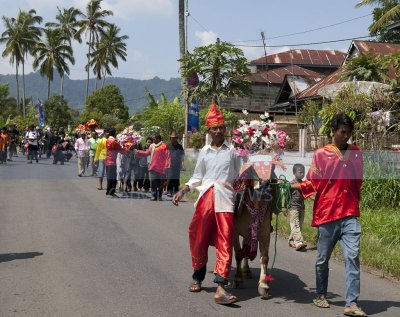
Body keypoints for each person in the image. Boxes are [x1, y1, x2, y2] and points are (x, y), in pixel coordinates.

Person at [292, 113, 366, 317]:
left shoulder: (357, 152)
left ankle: (351, 304)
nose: (346, 136)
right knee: (322, 259)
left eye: (349, 133)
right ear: (334, 131)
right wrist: (295, 186)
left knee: (353, 257)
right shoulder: (321, 154)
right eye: (343, 132)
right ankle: (321, 294)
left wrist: (353, 200)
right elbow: (313, 181)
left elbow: (358, 180)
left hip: (350, 213)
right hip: (328, 213)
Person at [172, 103, 241, 305]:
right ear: (208, 130)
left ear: (225, 129)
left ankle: (221, 287)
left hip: (226, 201)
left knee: (225, 242)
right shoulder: (204, 152)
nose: (218, 131)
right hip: (206, 200)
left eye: (221, 127)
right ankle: (198, 275)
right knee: (197, 236)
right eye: (214, 128)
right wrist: (184, 189)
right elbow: (197, 176)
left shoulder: (234, 152)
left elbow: (239, 175)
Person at [135, 133, 170, 201]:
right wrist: (138, 151)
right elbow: (147, 153)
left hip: (161, 168)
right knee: (153, 181)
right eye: (153, 138)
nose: (153, 139)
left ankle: (159, 196)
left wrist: (167, 166)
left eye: (154, 138)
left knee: (160, 183)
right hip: (152, 167)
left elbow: (168, 156)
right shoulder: (152, 146)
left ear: (158, 139)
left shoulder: (164, 146)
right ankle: (153, 196)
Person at [287, 163, 307, 251]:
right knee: (295, 226)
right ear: (294, 173)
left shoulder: (304, 184)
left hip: (301, 208)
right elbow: (287, 196)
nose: (302, 174)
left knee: (299, 225)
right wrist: (286, 208)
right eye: (300, 172)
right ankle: (299, 242)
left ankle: (291, 241)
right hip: (293, 208)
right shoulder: (290, 184)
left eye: (303, 172)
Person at [105, 127, 125, 197]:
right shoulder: (113, 141)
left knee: (110, 177)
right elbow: (121, 150)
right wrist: (126, 146)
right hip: (112, 162)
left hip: (108, 161)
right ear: (114, 133)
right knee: (113, 178)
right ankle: (111, 192)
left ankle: (108, 191)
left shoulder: (109, 140)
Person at [167, 131, 185, 197]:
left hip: (177, 164)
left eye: (175, 138)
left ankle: (175, 191)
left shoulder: (180, 146)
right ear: (170, 138)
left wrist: (182, 163)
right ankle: (169, 190)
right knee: (170, 177)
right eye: (172, 138)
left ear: (176, 138)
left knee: (176, 178)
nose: (173, 139)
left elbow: (182, 156)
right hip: (170, 164)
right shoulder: (168, 146)